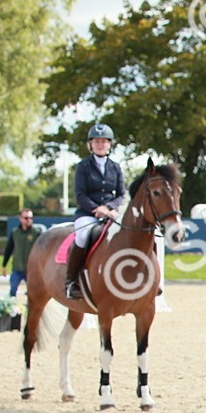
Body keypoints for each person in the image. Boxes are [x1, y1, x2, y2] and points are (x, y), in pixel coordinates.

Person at [67, 123, 126, 299]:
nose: (100, 144)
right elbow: (80, 195)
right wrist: (96, 209)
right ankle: (71, 281)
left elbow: (121, 194)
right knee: (83, 235)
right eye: (97, 141)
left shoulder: (115, 167)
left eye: (104, 141)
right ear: (90, 144)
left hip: (111, 213)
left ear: (109, 144)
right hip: (87, 214)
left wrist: (108, 208)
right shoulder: (83, 166)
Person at [2, 209, 41, 297]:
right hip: (17, 268)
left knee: (33, 293)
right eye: (26, 218)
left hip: (32, 269)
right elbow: (9, 249)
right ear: (20, 218)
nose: (29, 220)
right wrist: (4, 265)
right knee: (12, 290)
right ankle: (12, 309)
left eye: (31, 218)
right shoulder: (15, 232)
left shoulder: (37, 232)